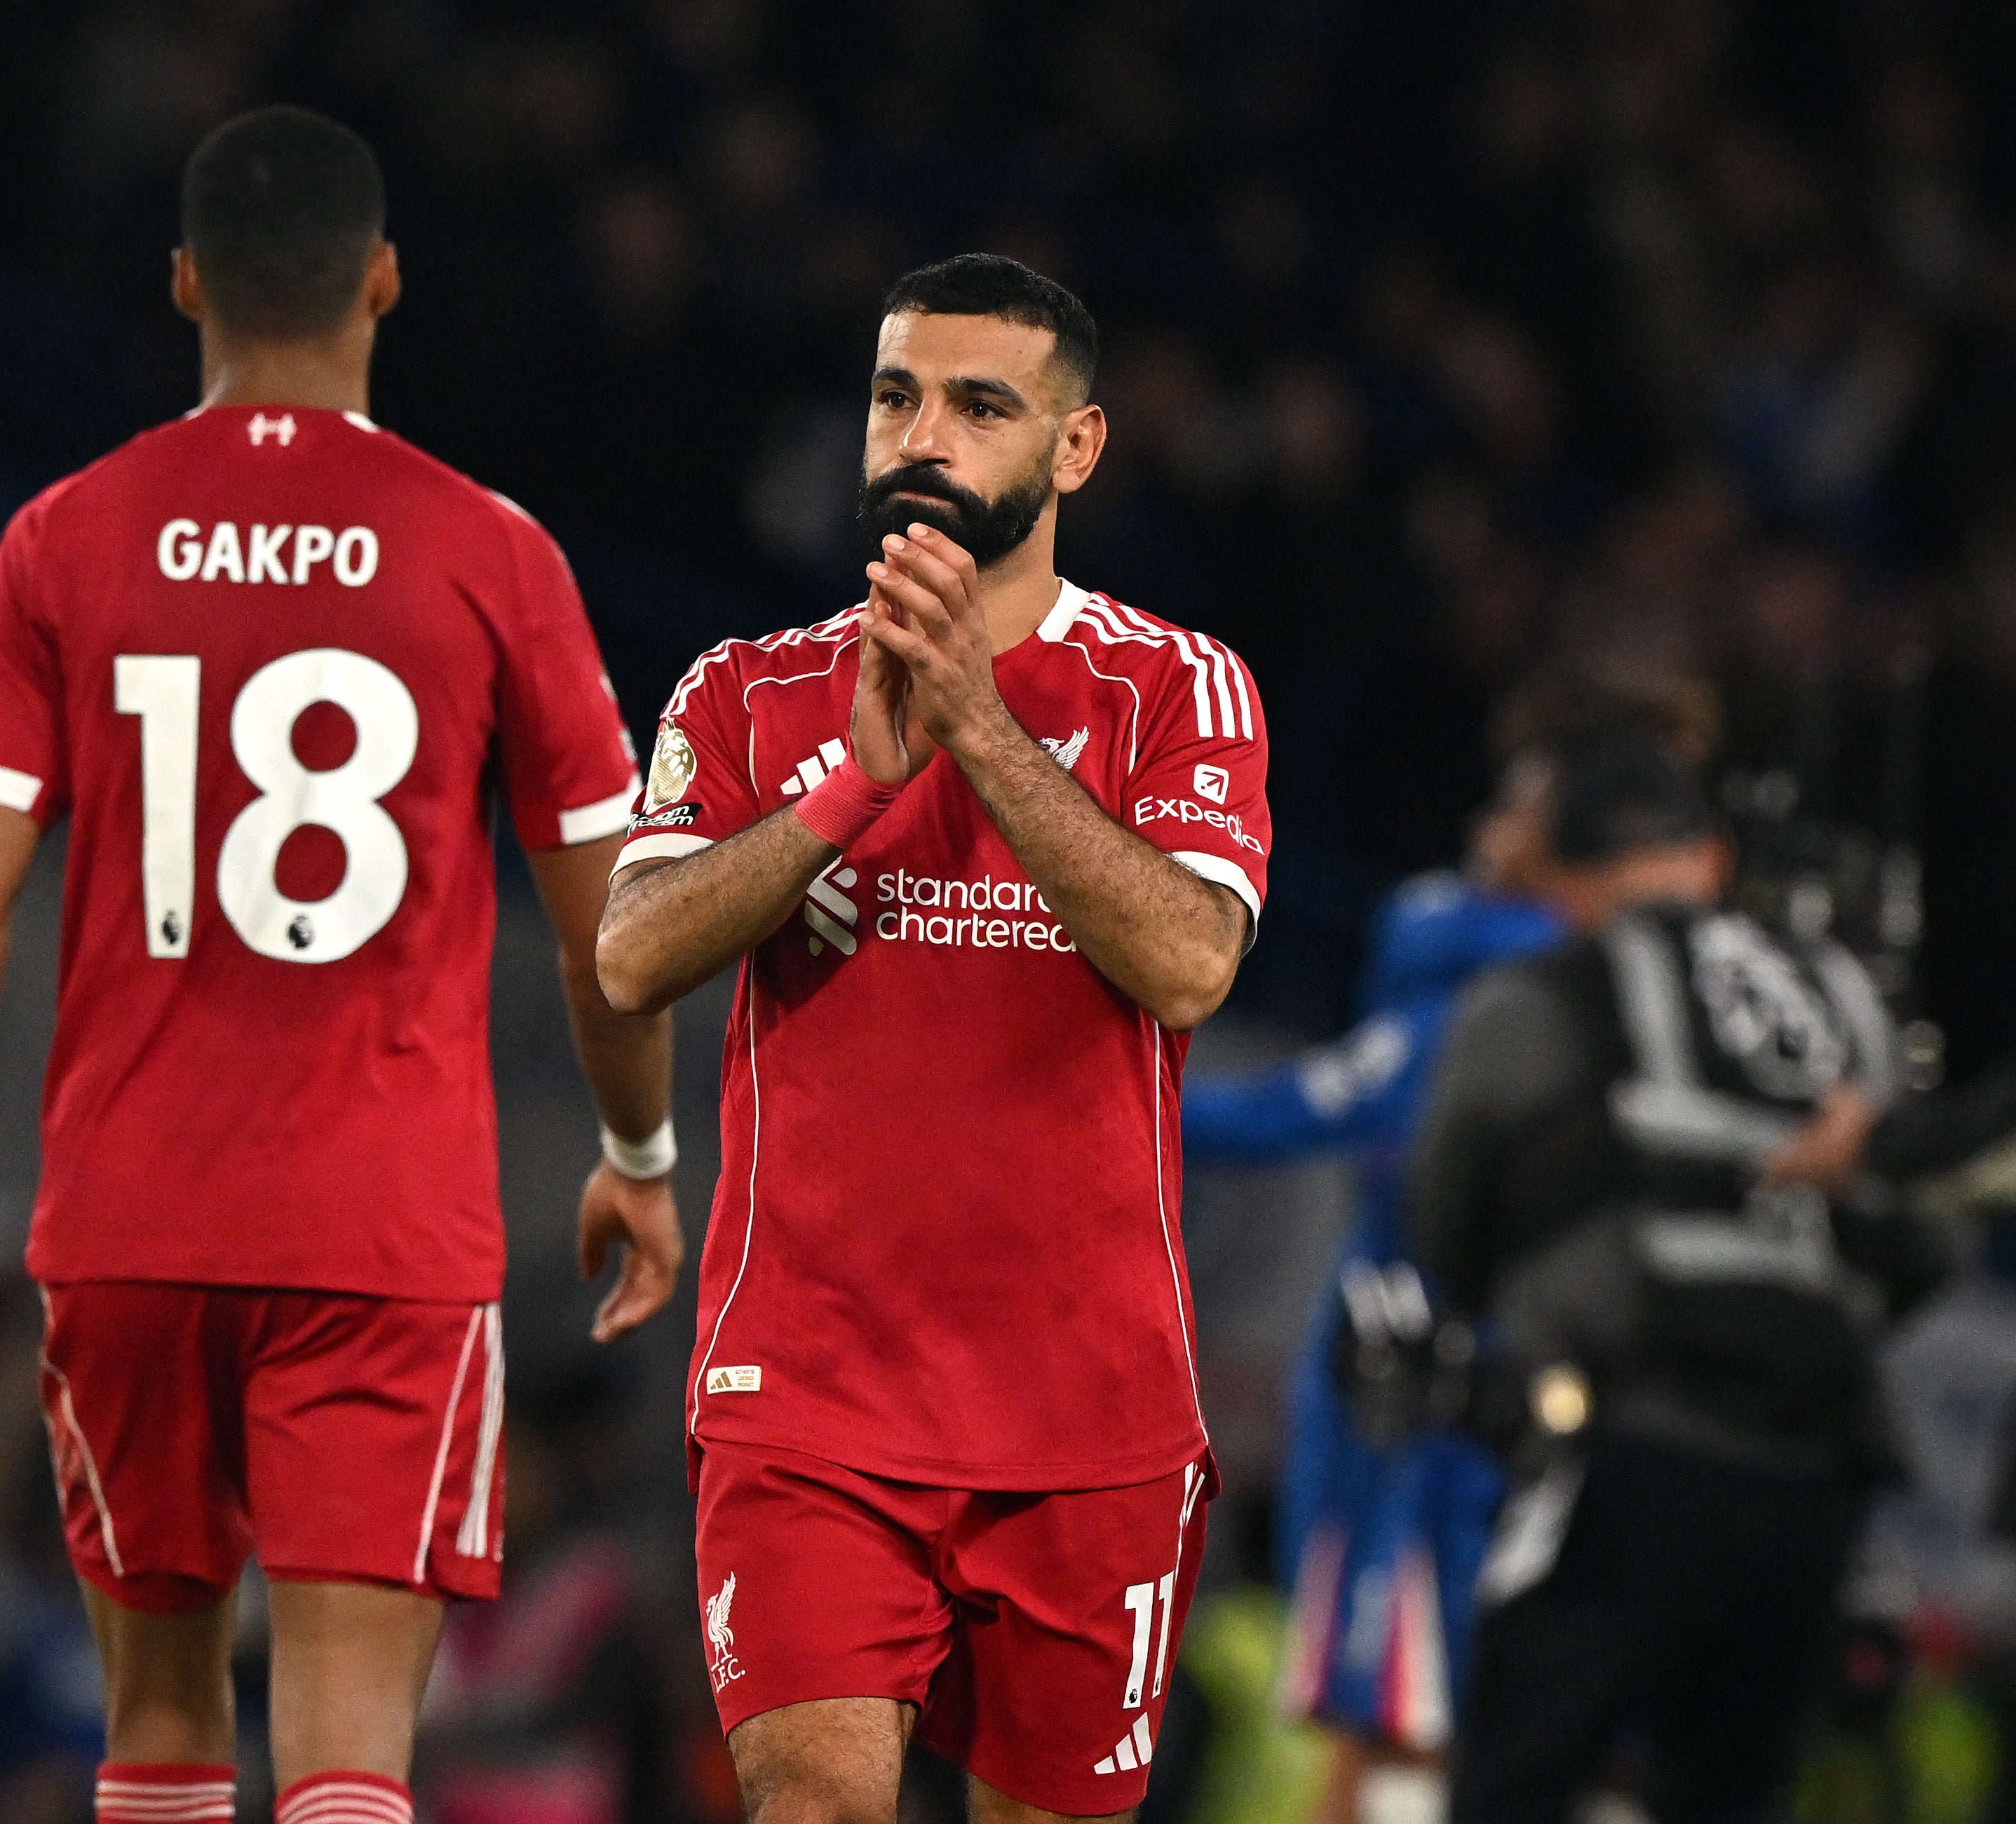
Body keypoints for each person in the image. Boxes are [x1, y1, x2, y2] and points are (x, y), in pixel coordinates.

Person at [0, 107, 684, 1824]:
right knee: (349, 1748)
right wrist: (636, 1157)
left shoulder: (64, 537)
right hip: (379, 1231)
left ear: (184, 286)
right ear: (384, 281)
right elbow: (608, 928)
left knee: (156, 1723)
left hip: (132, 1219)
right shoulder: (490, 552)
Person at [597, 253, 1269, 1824]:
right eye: (897, 396)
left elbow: (1186, 963)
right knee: (815, 1805)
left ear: (1076, 448)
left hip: (1089, 1413)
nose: (923, 436)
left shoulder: (1181, 687)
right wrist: (845, 788)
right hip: (812, 1395)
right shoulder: (754, 687)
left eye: (980, 404)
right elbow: (630, 953)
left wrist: (977, 723)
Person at [1182, 668, 1715, 1824]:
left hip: (1437, 1442)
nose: (1482, 834)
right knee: (1475, 1733)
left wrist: (1074, 1075)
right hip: (1536, 1430)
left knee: (1405, 1734)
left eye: (1512, 811)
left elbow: (1282, 1112)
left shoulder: (1493, 1009)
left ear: (1570, 849)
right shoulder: (1638, 1011)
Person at [1404, 732, 1955, 1824]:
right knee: (1736, 1794)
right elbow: (1926, 1248)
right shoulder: (1841, 993)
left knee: (1518, 1777)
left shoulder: (1542, 991)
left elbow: (1445, 1221)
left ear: (1562, 878)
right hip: (1820, 1476)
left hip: (1625, 1447)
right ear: (1714, 855)